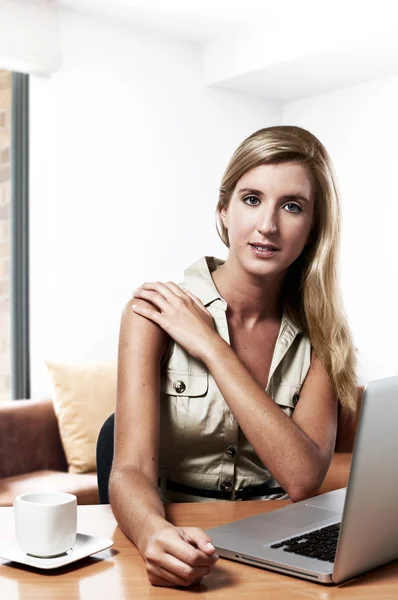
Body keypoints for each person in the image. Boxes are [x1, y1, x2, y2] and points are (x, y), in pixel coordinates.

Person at [109, 125, 358, 588]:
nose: (267, 225)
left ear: (314, 226)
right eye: (251, 199)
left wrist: (212, 347)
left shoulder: (325, 336)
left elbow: (302, 478)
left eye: (292, 206)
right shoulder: (152, 314)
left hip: (282, 548)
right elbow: (129, 469)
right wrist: (152, 533)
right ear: (223, 211)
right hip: (179, 536)